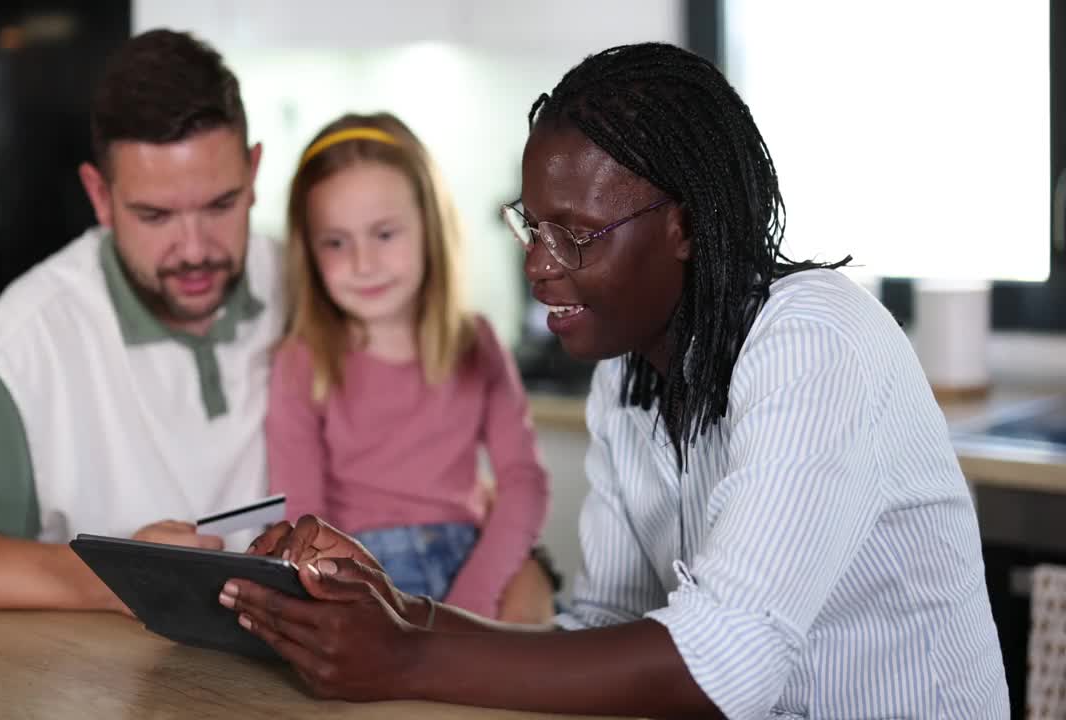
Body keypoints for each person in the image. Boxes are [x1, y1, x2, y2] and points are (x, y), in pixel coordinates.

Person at [218, 42, 1009, 718]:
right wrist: (402, 612)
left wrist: (408, 659)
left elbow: (724, 660)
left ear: (687, 225)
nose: (537, 266)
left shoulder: (814, 340)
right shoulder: (629, 371)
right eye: (532, 226)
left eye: (577, 234)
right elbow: (607, 629)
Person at [0, 30, 281, 610]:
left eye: (221, 205)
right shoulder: (25, 347)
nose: (195, 249)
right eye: (155, 215)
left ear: (253, 174)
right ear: (99, 196)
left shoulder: (310, 280)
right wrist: (111, 574)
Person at [266, 113, 550, 620]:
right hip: (362, 581)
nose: (363, 262)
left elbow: (523, 480)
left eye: (384, 234)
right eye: (335, 241)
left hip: (478, 569)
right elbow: (303, 520)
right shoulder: (301, 360)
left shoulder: (477, 342)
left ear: (430, 226)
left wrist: (475, 600)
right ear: (308, 252)